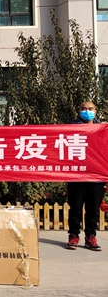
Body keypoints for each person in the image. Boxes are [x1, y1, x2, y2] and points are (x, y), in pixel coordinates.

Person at [67, 101, 104, 251]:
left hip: (96, 177)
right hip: (77, 176)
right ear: (78, 111)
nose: (87, 111)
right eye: (83, 108)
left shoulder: (102, 129)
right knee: (75, 209)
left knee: (93, 210)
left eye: (90, 109)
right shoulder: (70, 129)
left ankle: (90, 237)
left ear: (95, 111)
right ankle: (73, 236)